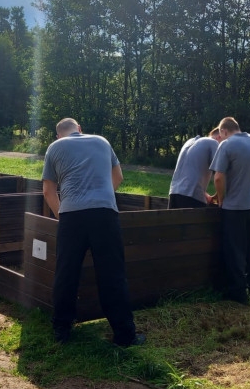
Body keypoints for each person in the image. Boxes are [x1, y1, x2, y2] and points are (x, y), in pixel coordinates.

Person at [42, 118, 144, 347]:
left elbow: (48, 191)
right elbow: (118, 178)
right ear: (80, 129)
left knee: (66, 273)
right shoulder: (102, 141)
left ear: (59, 136)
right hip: (105, 214)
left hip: (71, 216)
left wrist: (64, 216)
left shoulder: (55, 148)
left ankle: (62, 332)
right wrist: (101, 197)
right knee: (113, 275)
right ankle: (125, 336)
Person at [209, 117, 250, 304]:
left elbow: (218, 178)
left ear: (223, 131)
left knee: (235, 249)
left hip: (236, 207)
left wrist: (221, 199)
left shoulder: (226, 145)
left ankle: (238, 292)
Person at [168, 128, 222, 209]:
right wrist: (219, 196)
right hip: (191, 198)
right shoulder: (214, 143)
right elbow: (221, 173)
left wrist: (203, 193)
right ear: (219, 137)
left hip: (174, 194)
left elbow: (189, 176)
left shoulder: (190, 141)